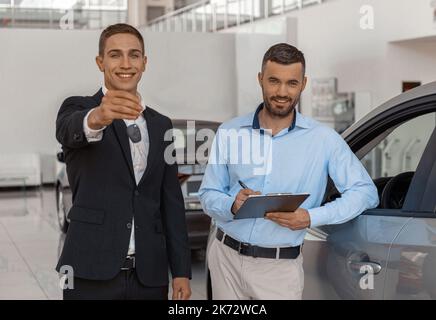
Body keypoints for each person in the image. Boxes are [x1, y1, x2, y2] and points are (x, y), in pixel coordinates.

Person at [199, 43, 379, 300]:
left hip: (279, 270)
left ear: (303, 84)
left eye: (291, 83)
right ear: (260, 79)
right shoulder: (229, 132)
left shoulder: (323, 140)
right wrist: (232, 205)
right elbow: (208, 194)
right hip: (225, 259)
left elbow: (365, 193)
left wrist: (311, 217)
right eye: (274, 81)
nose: (282, 92)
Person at [55, 23, 191, 300]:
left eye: (134, 54)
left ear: (144, 63)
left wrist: (181, 271)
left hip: (149, 276)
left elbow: (171, 203)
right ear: (100, 61)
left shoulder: (160, 124)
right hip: (89, 271)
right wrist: (97, 117)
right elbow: (69, 129)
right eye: (115, 54)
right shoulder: (78, 108)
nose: (125, 63)